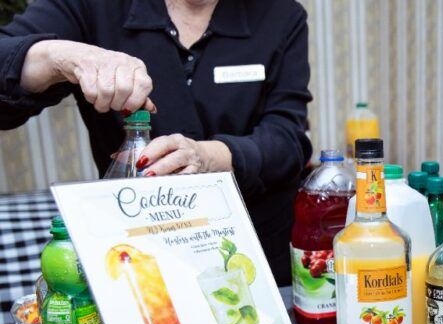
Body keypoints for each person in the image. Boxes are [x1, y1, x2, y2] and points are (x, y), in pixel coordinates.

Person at [0, 0, 312, 285]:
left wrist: (206, 156)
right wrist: (61, 57)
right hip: (138, 251)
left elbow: (287, 139)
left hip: (254, 252)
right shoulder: (91, 7)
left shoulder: (281, 15)